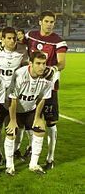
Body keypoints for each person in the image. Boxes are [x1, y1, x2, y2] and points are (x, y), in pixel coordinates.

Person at [25, 11, 68, 169]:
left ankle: (50, 157)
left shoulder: (58, 41)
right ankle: (30, 148)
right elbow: (17, 39)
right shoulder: (31, 35)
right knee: (28, 120)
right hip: (30, 86)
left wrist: (54, 68)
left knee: (50, 123)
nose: (49, 24)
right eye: (47, 21)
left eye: (52, 22)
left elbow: (62, 62)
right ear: (40, 21)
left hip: (49, 88)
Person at [6, 50, 52, 175]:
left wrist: (37, 117)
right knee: (12, 132)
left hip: (31, 109)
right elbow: (13, 99)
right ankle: (9, 166)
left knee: (40, 129)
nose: (42, 67)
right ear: (30, 63)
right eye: (38, 63)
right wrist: (13, 120)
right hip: (15, 110)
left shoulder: (47, 77)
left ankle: (34, 164)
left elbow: (43, 98)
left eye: (44, 63)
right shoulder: (20, 75)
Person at [0, 27, 29, 165]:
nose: (12, 41)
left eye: (14, 38)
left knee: (13, 125)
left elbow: (25, 69)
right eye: (9, 38)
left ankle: (13, 152)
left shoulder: (22, 51)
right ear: (3, 39)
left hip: (15, 95)